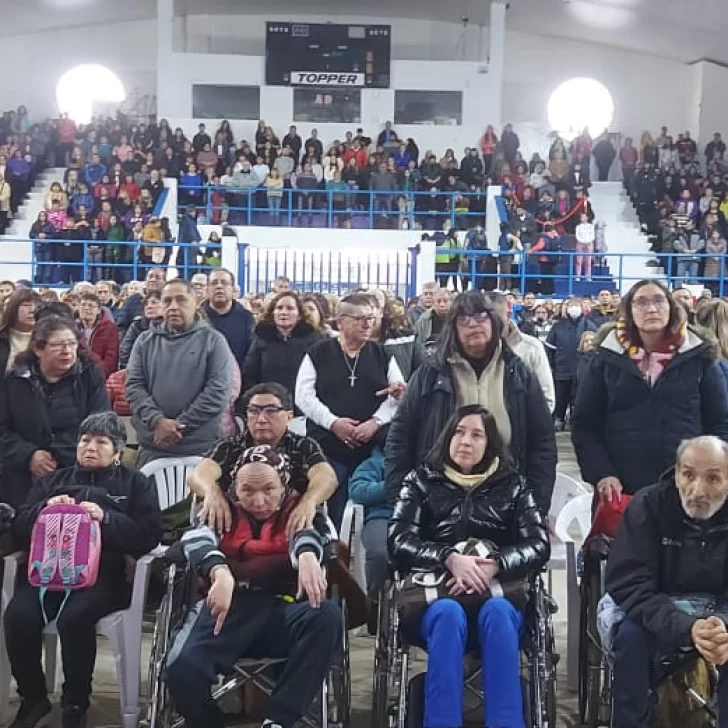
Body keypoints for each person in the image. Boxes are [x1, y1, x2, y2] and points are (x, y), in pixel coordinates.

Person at [388, 405, 550, 728]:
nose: (466, 440)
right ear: (447, 436)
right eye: (459, 432)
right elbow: (398, 539)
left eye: (477, 435)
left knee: (498, 614)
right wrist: (449, 558)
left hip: (498, 593)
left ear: (489, 444)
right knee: (448, 615)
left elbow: (538, 544)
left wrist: (495, 565)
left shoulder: (514, 485)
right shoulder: (421, 482)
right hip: (437, 598)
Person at [165, 445, 341, 728]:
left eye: (269, 489)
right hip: (225, 611)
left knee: (327, 616)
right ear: (235, 488)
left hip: (280, 611)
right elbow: (196, 540)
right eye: (248, 490)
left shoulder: (298, 510)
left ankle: (278, 720)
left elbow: (312, 536)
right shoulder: (222, 509)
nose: (259, 501)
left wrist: (308, 554)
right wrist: (220, 571)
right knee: (181, 668)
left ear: (283, 485)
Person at [4, 412, 161, 728]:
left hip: (105, 577)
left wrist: (106, 517)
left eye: (101, 442)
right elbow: (18, 528)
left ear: (117, 451)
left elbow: (149, 536)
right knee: (17, 616)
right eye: (85, 440)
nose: (90, 447)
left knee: (74, 619)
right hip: (47, 575)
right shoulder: (51, 481)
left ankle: (75, 703)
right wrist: (43, 509)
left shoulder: (135, 483)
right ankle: (33, 698)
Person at [385, 291, 556, 516]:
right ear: (453, 328)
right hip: (438, 498)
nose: (473, 324)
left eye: (481, 317)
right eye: (464, 319)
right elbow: (400, 437)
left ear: (494, 322)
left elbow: (542, 441)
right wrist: (402, 502)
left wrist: (536, 506)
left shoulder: (518, 372)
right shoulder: (430, 373)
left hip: (506, 497)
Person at [605, 436, 728, 728]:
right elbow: (629, 583)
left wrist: (722, 625)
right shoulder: (647, 505)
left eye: (713, 478)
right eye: (688, 475)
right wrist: (686, 627)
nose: (698, 490)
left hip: (718, 611)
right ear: (675, 474)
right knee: (630, 638)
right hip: (656, 608)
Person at [572, 280, 728, 500]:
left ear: (671, 307)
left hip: (688, 488)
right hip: (620, 488)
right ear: (629, 310)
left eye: (658, 301)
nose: (651, 309)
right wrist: (602, 473)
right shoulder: (606, 357)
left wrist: (710, 473)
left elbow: (720, 424)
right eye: (641, 302)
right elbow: (585, 424)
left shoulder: (699, 356)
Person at [295, 293, 405, 527]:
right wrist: (334, 423)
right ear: (340, 321)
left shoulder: (382, 354)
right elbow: (303, 397)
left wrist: (375, 421)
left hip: (371, 446)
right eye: (359, 319)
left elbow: (397, 395)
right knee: (330, 503)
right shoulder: (318, 353)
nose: (367, 324)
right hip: (327, 444)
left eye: (371, 318)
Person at [188, 382, 337, 537]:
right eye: (253, 411)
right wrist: (212, 492)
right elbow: (198, 475)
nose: (261, 419)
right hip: (232, 526)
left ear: (289, 416)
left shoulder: (303, 446)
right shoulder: (229, 446)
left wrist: (309, 501)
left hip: (289, 526)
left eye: (271, 411)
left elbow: (327, 477)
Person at [0, 316, 109, 508]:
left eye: (71, 343)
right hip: (23, 479)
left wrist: (56, 458)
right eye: (58, 345)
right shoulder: (15, 380)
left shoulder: (89, 376)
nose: (66, 351)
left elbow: (100, 422)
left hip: (76, 473)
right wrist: (30, 456)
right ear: (38, 349)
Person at [126, 279, 232, 467]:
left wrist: (179, 426)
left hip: (200, 449)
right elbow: (134, 386)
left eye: (181, 300)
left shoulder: (214, 341)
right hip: (154, 446)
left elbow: (218, 391)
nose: (173, 307)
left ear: (195, 302)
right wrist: (157, 421)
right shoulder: (144, 341)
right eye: (167, 301)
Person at [486, 292, 555, 413]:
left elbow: (546, 398)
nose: (488, 322)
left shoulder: (531, 347)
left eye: (493, 316)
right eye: (482, 316)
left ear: (508, 315)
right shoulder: (473, 347)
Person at [244, 292, 322, 397]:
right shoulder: (261, 339)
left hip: (303, 403)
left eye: (290, 308)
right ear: (273, 313)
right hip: (269, 403)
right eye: (279, 308)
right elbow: (250, 375)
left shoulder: (314, 340)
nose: (284, 312)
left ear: (299, 315)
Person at [545, 299, 597, 430]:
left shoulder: (590, 325)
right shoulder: (557, 327)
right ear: (566, 308)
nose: (574, 308)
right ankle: (559, 419)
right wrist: (551, 367)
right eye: (571, 305)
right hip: (561, 370)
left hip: (583, 372)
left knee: (579, 398)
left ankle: (575, 421)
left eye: (576, 305)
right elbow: (549, 349)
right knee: (560, 397)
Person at [201, 269, 255, 375]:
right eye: (214, 283)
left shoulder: (246, 317)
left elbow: (251, 354)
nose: (219, 287)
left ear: (233, 289)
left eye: (224, 283)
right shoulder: (196, 317)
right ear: (207, 289)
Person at [77, 293, 119, 379]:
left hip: (99, 376)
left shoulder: (109, 328)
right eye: (83, 305)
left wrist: (98, 375)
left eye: (91, 306)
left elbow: (111, 358)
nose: (86, 308)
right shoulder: (73, 327)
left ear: (99, 310)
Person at [0, 288, 40, 376]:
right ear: (13, 308)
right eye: (26, 305)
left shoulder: (46, 339)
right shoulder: (2, 338)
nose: (32, 310)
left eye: (37, 305)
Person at [119, 290, 163, 369]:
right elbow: (125, 353)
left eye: (154, 302)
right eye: (146, 304)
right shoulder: (136, 326)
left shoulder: (173, 327)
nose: (149, 306)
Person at [414, 287, 450, 354]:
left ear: (451, 302)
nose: (442, 304)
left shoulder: (456, 320)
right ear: (433, 303)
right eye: (438, 301)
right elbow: (417, 344)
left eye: (445, 301)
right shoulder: (424, 320)